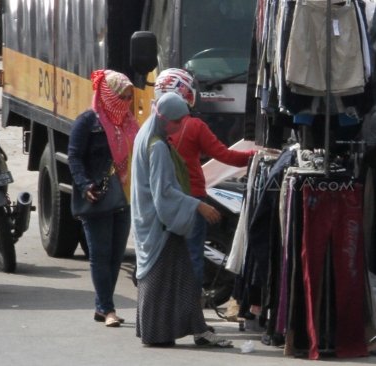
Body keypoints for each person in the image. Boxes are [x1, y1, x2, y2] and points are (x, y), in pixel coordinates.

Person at [131, 92, 232, 347]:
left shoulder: (147, 134)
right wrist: (197, 205)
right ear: (166, 120)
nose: (180, 126)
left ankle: (194, 329)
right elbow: (163, 193)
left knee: (182, 278)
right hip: (161, 225)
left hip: (154, 223)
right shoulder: (157, 148)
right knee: (160, 279)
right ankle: (157, 333)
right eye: (178, 122)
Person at [155, 68, 254, 292]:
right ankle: (191, 310)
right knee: (193, 255)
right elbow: (227, 157)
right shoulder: (194, 126)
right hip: (193, 199)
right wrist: (255, 156)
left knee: (165, 255)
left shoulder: (151, 126)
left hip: (162, 199)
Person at [68, 69, 139, 327]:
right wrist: (84, 183)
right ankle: (107, 308)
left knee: (116, 255)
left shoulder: (130, 123)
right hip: (97, 196)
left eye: (130, 97)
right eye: (122, 97)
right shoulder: (87, 121)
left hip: (125, 197)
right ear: (108, 95)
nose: (127, 103)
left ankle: (103, 307)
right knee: (100, 254)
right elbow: (74, 156)